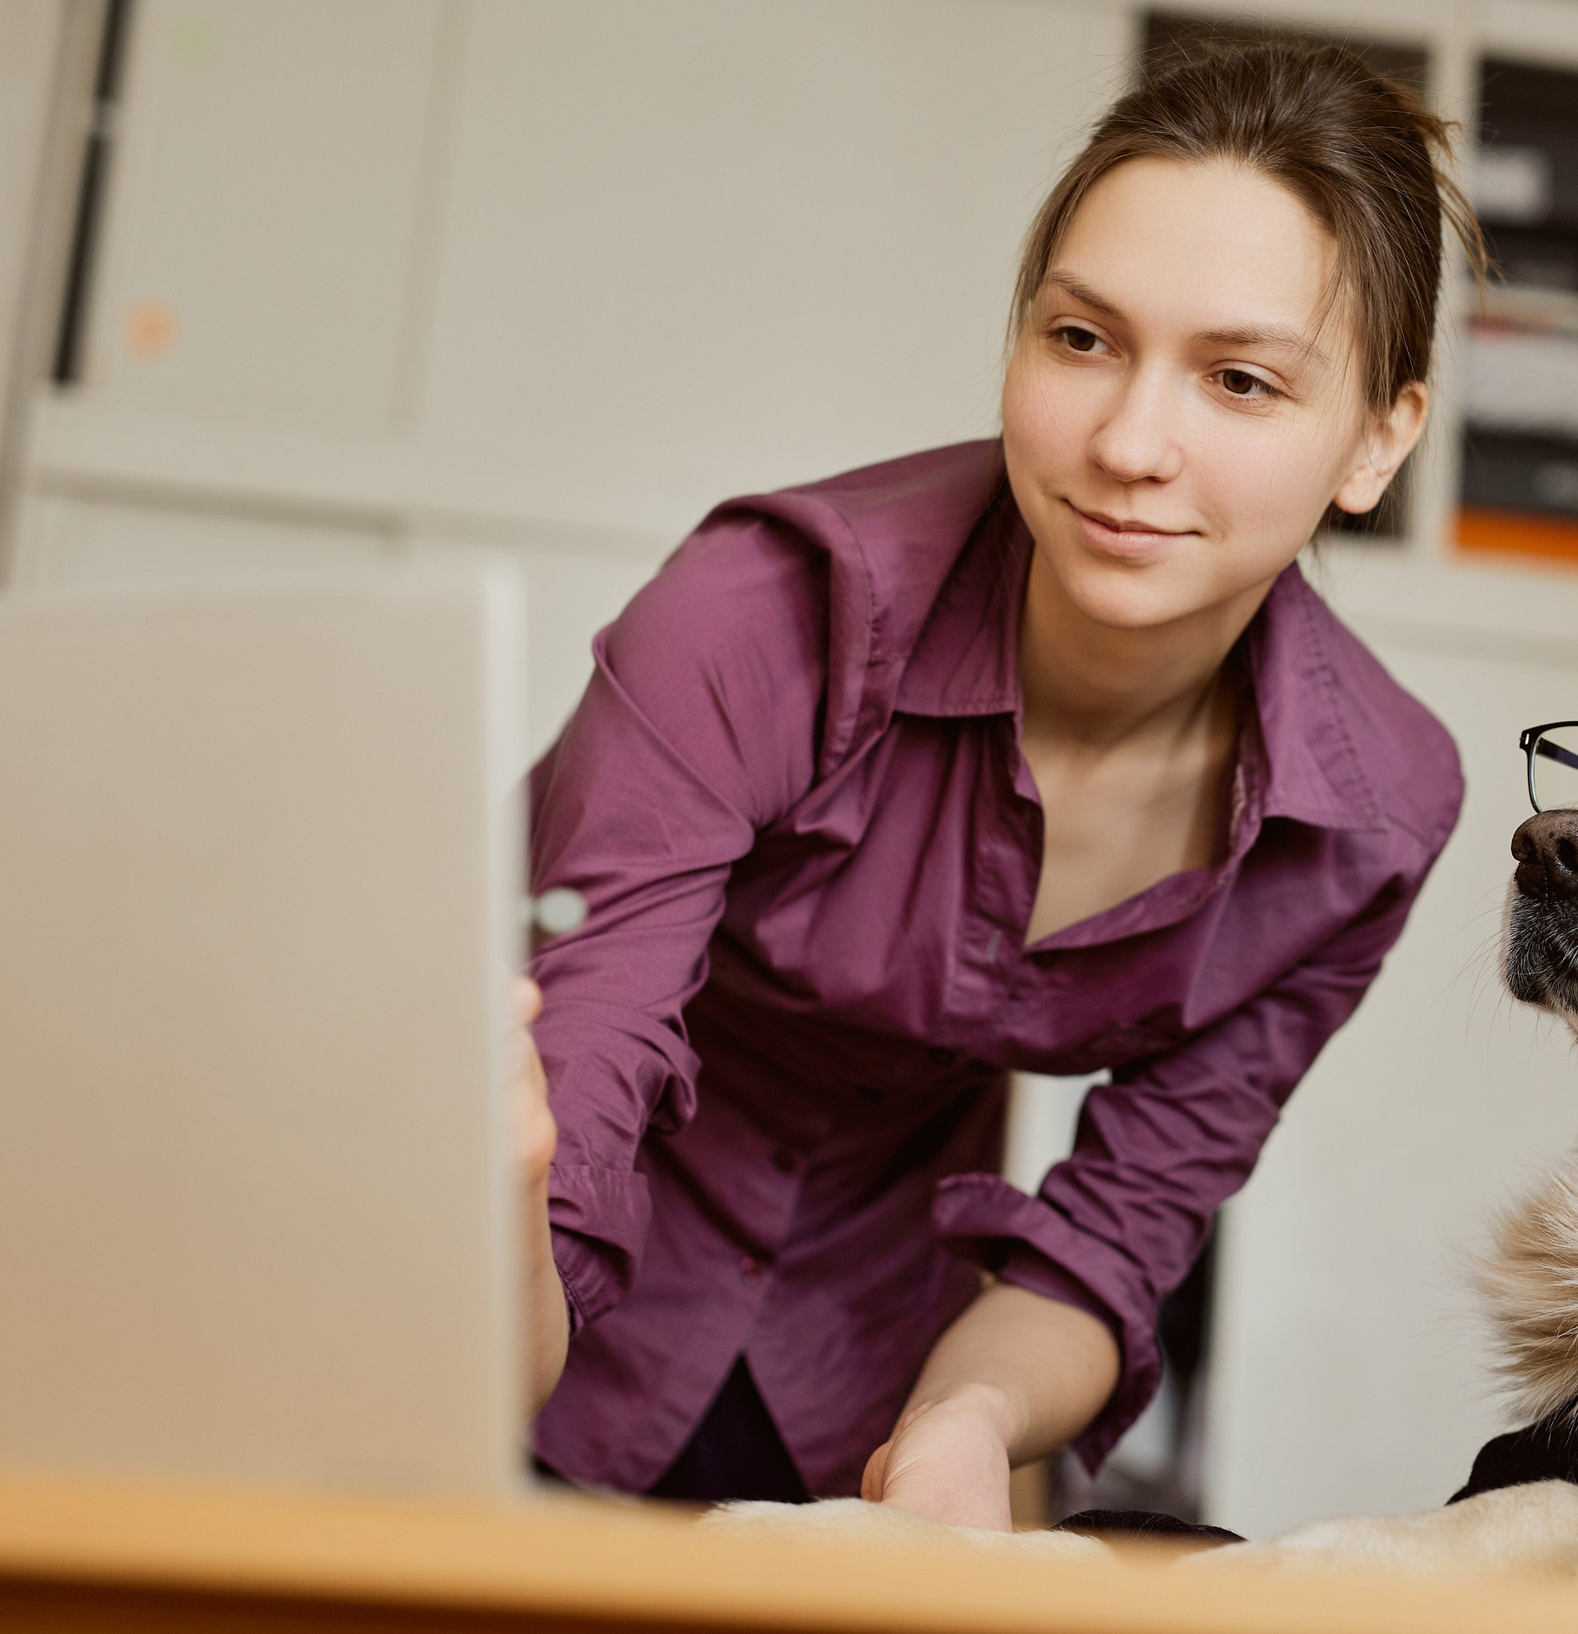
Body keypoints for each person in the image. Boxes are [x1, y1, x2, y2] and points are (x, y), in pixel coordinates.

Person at [512, 39, 1480, 1531]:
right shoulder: (760, 621)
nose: (1128, 444)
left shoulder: (1368, 818)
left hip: (854, 1362)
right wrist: (487, 1275)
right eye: (1083, 340)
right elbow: (559, 1129)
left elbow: (1115, 1234)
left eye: (1239, 379)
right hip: (513, 1292)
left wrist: (969, 1421)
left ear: (1379, 438)